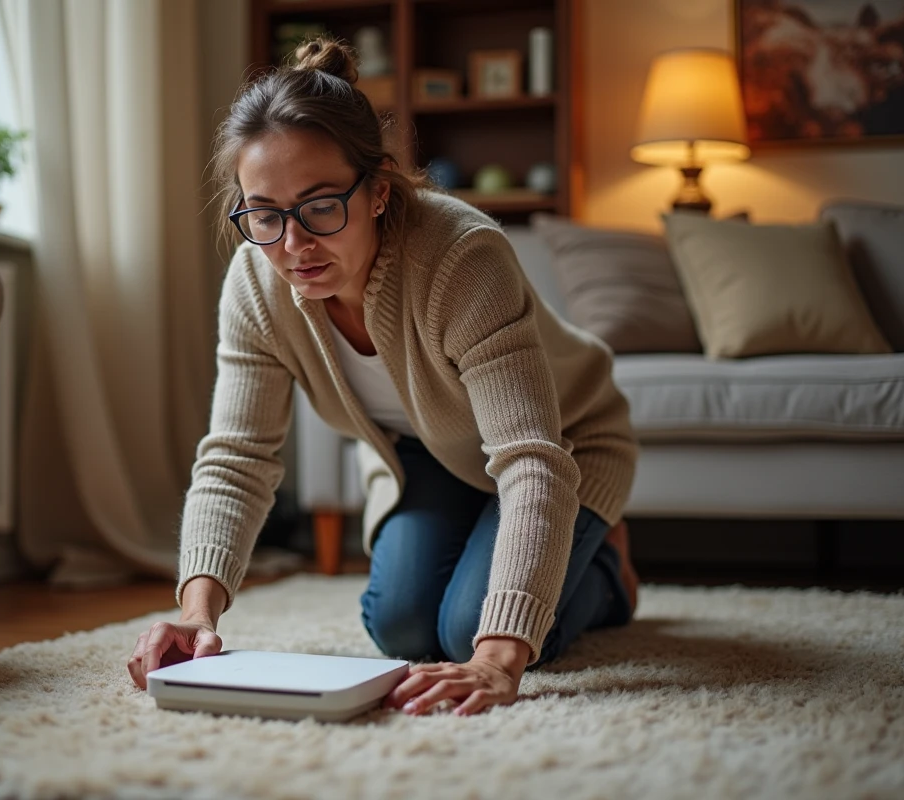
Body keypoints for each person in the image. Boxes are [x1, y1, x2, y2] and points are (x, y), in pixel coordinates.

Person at [128, 37, 640, 717]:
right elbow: (237, 456)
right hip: (424, 454)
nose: (293, 246)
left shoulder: (464, 259)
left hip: (562, 445)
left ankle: (606, 573)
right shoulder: (256, 281)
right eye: (265, 213)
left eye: (319, 207)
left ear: (376, 191)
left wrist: (495, 660)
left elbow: (531, 462)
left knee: (469, 632)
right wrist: (195, 612)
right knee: (403, 627)